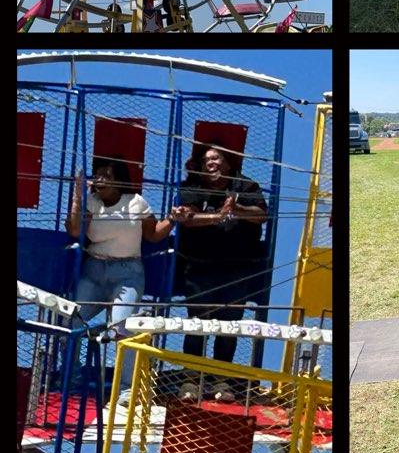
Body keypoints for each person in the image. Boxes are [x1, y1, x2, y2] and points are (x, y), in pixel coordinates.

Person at [64, 158, 173, 403]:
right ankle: (71, 378)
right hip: (94, 269)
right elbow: (74, 230)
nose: (100, 179)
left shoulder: (135, 203)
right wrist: (77, 194)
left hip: (127, 272)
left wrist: (174, 219)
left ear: (119, 181)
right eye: (97, 174)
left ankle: (126, 388)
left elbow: (153, 235)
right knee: (70, 320)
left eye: (106, 175)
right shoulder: (91, 202)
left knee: (123, 328)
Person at [171, 143, 268, 401]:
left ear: (228, 163)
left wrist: (238, 210)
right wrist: (217, 217)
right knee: (197, 324)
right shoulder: (192, 186)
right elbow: (187, 218)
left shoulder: (245, 186)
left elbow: (261, 215)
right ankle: (191, 381)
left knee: (228, 326)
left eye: (216, 158)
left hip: (237, 268)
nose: (211, 163)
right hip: (199, 266)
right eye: (206, 160)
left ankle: (221, 382)